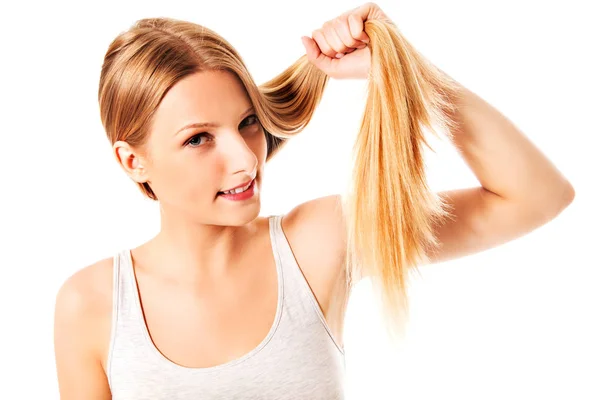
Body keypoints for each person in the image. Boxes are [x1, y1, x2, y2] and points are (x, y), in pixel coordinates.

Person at [53, 3, 575, 399]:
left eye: (247, 122)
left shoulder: (317, 245)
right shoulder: (93, 306)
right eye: (198, 138)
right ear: (131, 161)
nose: (243, 160)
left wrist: (404, 70)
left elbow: (535, 196)